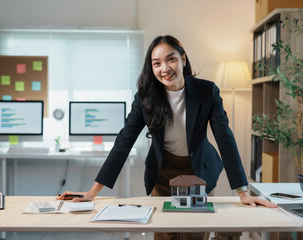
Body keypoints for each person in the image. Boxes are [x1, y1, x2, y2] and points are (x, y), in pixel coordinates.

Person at [58, 35, 277, 240]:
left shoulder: (206, 91)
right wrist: (93, 192)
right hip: (163, 174)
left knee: (195, 233)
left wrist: (242, 192)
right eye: (157, 63)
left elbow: (225, 139)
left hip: (199, 170)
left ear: (182, 59)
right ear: (151, 67)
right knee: (164, 232)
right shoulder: (146, 97)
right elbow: (124, 140)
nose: (165, 68)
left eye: (170, 59)